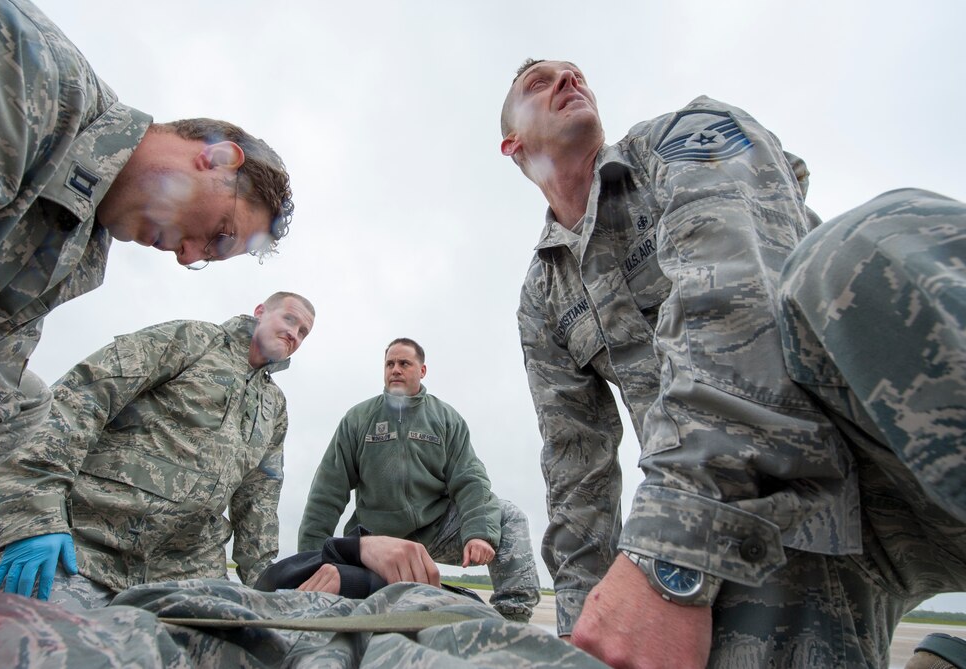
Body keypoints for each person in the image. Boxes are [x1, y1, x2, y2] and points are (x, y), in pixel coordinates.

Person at [499, 58, 966, 667]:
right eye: (539, 83)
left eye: (575, 74)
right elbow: (575, 467)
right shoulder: (543, 297)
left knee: (852, 252)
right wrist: (583, 630)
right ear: (512, 145)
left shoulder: (682, 139)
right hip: (766, 519)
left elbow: (735, 296)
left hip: (882, 444)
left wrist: (668, 552)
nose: (568, 82)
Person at [0, 0, 294, 588]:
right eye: (219, 233)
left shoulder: (72, 248)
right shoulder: (25, 78)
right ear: (217, 158)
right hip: (96, 547)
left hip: (173, 570)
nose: (187, 255)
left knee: (15, 402)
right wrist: (35, 516)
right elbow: (86, 398)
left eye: (209, 258)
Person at [0, 292, 314, 607]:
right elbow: (81, 398)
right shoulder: (192, 340)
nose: (294, 334)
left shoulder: (274, 406)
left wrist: (264, 581)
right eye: (289, 319)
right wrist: (34, 517)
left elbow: (259, 499)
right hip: (86, 552)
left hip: (186, 576)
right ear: (260, 312)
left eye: (303, 333)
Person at [298, 338, 541, 622]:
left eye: (404, 363)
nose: (395, 370)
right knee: (349, 593)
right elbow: (327, 492)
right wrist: (309, 561)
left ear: (422, 370)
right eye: (390, 364)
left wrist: (478, 533)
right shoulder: (358, 419)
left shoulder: (446, 419)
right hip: (377, 537)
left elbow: (470, 479)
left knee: (509, 515)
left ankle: (513, 618)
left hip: (435, 529)